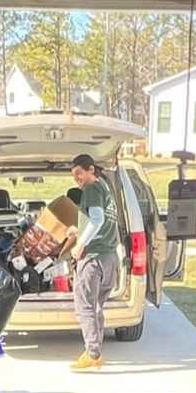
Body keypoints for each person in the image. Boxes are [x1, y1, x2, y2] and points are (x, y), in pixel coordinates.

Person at [65, 152, 121, 372]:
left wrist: (80, 245)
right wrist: (79, 231)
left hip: (94, 259)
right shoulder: (106, 190)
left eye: (79, 172)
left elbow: (96, 220)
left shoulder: (91, 189)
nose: (76, 178)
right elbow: (102, 222)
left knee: (85, 307)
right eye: (73, 174)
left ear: (91, 170)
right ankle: (94, 350)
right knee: (96, 306)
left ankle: (93, 355)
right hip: (110, 258)